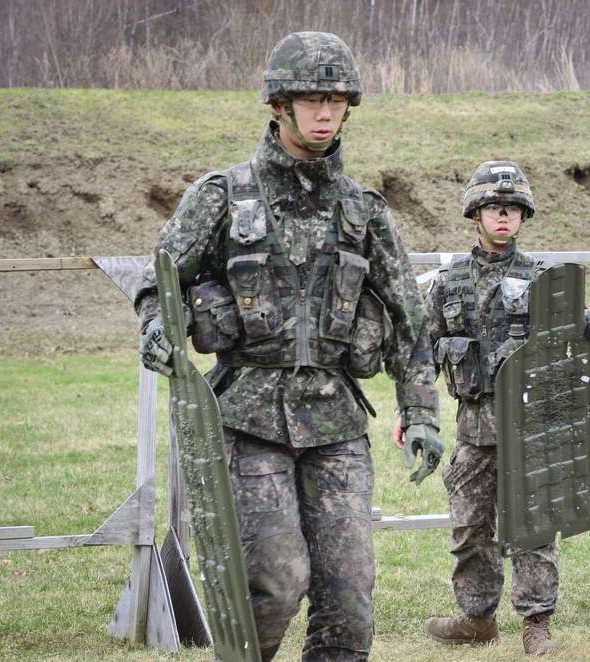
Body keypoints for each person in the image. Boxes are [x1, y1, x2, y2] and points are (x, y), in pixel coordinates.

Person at [135, 31, 444, 662]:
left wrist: (421, 415)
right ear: (280, 105)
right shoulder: (222, 197)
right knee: (275, 585)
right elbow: (158, 278)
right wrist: (154, 323)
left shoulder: (364, 210)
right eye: (311, 99)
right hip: (246, 420)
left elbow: (411, 320)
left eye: (336, 99)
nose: (326, 113)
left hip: (336, 421)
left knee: (350, 600)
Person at [410, 161, 590, 656]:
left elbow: (578, 346)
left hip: (532, 429)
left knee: (533, 528)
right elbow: (423, 352)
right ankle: (477, 619)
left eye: (513, 209)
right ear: (475, 214)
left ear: (524, 216)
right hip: (473, 432)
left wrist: (586, 323)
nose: (505, 217)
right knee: (470, 528)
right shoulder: (448, 283)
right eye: (495, 209)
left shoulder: (545, 279)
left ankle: (536, 624)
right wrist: (410, 413)